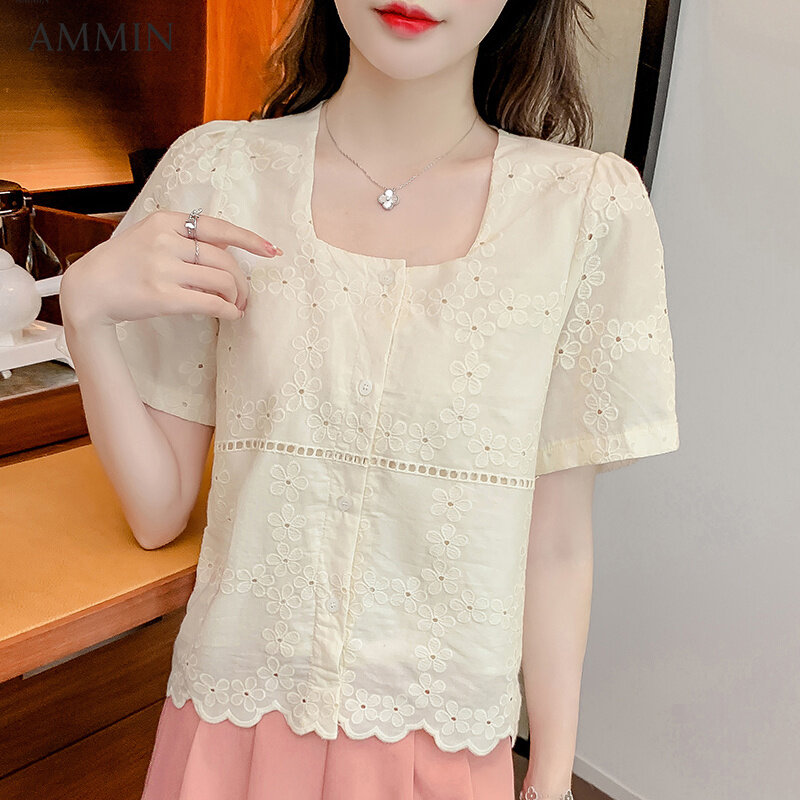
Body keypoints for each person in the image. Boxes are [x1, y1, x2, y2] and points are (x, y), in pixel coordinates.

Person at [59, 1, 680, 798]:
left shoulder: (583, 209)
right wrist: (84, 310)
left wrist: (551, 776)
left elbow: (555, 541)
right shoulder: (219, 174)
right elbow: (157, 512)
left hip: (445, 748)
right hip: (231, 729)